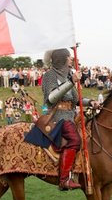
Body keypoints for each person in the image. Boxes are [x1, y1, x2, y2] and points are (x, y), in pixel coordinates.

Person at [41, 48, 98, 191]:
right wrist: (71, 81)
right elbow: (51, 97)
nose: (71, 59)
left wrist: (90, 102)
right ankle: (64, 180)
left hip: (70, 115)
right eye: (69, 57)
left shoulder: (68, 76)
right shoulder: (49, 75)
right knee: (75, 140)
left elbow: (76, 99)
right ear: (62, 59)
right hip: (57, 116)